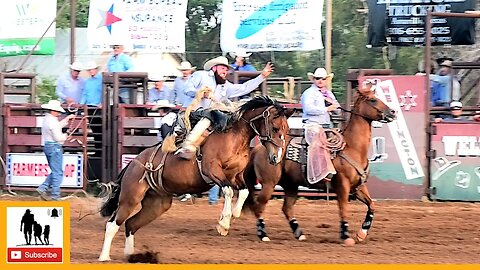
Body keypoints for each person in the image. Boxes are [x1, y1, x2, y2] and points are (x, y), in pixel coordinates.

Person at [176, 56, 273, 205]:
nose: (225, 72)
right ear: (214, 68)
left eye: (227, 69)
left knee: (225, 119)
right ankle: (188, 145)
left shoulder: (224, 86)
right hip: (193, 113)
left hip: (211, 117)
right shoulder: (200, 75)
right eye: (223, 68)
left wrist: (262, 76)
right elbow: (187, 88)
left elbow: (243, 88)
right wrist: (200, 92)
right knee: (212, 114)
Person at [300, 67, 340, 183]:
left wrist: (334, 106)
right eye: (318, 78)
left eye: (323, 79)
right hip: (312, 125)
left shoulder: (329, 94)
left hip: (327, 125)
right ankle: (321, 171)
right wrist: (326, 109)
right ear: (313, 80)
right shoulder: (309, 93)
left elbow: (338, 110)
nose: (320, 81)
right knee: (319, 141)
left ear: (326, 80)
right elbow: (308, 109)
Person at [36, 100, 75, 201]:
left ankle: (43, 187)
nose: (58, 113)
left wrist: (67, 119)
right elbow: (58, 137)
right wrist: (66, 135)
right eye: (57, 111)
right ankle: (55, 195)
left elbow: (57, 127)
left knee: (55, 171)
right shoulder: (52, 121)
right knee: (58, 172)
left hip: (48, 146)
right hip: (55, 147)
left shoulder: (47, 119)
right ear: (53, 111)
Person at [79, 61, 103, 153]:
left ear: (96, 69)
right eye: (89, 70)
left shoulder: (101, 79)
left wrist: (102, 102)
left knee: (100, 129)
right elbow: (85, 94)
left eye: (92, 69)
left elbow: (105, 92)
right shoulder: (87, 82)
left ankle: (100, 150)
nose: (91, 71)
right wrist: (81, 104)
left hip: (98, 107)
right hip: (90, 107)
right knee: (94, 129)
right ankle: (98, 150)